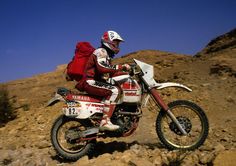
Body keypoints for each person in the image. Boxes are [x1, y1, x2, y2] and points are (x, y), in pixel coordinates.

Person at [76, 30, 130, 131]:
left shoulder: (106, 55)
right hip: (90, 81)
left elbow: (110, 72)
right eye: (115, 42)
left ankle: (111, 116)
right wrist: (120, 66)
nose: (117, 45)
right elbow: (102, 68)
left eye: (117, 43)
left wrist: (127, 73)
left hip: (94, 81)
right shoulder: (101, 51)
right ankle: (105, 121)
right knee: (114, 90)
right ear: (108, 41)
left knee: (118, 88)